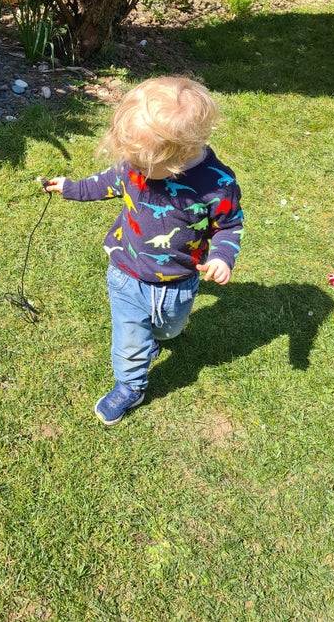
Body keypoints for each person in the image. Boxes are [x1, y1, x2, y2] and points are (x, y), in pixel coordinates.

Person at [45, 76, 244, 425]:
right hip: (126, 273)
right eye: (129, 159)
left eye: (139, 163)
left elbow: (229, 225)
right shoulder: (136, 164)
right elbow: (108, 182)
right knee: (130, 339)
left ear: (178, 158)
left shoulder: (217, 185)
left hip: (178, 284)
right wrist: (71, 187)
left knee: (169, 329)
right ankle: (130, 386)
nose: (131, 166)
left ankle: (156, 335)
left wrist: (221, 257)